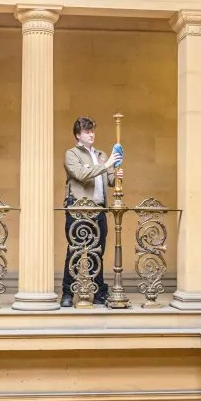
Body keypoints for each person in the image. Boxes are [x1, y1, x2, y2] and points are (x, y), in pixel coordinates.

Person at [60, 116, 121, 308]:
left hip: (99, 209)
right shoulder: (71, 154)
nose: (91, 134)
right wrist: (107, 164)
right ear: (78, 135)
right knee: (75, 252)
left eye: (92, 130)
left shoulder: (101, 154)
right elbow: (81, 174)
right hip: (79, 209)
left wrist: (117, 174)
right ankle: (67, 293)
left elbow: (110, 181)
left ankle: (99, 293)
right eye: (87, 131)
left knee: (98, 252)